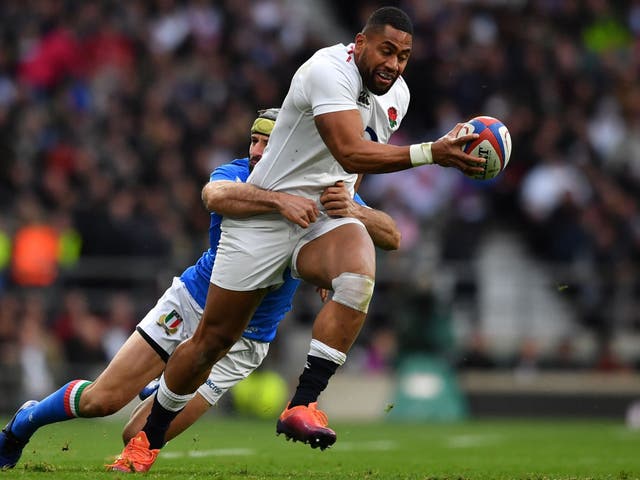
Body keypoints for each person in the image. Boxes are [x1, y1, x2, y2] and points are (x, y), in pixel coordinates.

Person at [113, 6, 485, 472]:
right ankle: (145, 440)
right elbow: (348, 147)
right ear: (360, 43)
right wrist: (433, 153)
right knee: (213, 340)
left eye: (404, 56)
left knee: (358, 274)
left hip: (319, 218)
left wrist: (347, 213)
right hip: (267, 215)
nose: (394, 64)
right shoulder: (326, 69)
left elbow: (355, 165)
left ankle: (303, 403)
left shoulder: (398, 96)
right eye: (387, 50)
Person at [0, 108, 401, 471]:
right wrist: (279, 202)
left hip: (244, 340)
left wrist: (354, 211)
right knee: (102, 401)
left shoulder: (324, 191)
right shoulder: (236, 174)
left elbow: (391, 236)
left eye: (269, 142)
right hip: (193, 303)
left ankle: (159, 389)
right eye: (255, 140)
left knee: (135, 435)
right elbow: (214, 195)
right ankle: (25, 421)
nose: (259, 150)